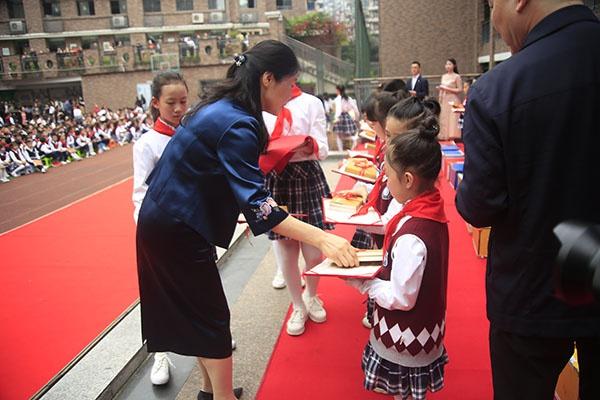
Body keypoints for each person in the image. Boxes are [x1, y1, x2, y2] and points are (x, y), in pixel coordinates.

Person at [136, 40, 357, 400]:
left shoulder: (223, 108)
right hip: (177, 227)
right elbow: (260, 206)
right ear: (268, 79)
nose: (291, 93)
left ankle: (210, 392)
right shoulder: (238, 122)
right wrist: (323, 238)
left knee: (198, 315)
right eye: (290, 83)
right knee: (210, 318)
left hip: (169, 220)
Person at [456, 2, 600, 399]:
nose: (496, 20)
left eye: (493, 5)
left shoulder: (500, 87)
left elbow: (480, 205)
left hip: (533, 290)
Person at [347, 125, 450, 400]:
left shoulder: (412, 235)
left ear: (407, 179)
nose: (384, 181)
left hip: (406, 335)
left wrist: (364, 282)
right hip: (424, 327)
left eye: (387, 174)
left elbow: (403, 298)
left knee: (403, 391)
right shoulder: (430, 210)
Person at [132, 71, 189, 386]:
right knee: (160, 296)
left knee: (201, 289)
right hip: (161, 232)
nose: (179, 108)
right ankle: (161, 355)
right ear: (155, 103)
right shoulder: (147, 144)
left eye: (183, 101)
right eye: (171, 103)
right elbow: (140, 194)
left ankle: (211, 343)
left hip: (193, 228)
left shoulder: (191, 135)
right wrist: (150, 232)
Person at [262, 85, 333, 336]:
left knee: (314, 253)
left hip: (307, 176)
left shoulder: (311, 102)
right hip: (277, 180)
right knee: (286, 250)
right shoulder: (260, 104)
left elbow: (322, 149)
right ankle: (297, 305)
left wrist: (303, 145)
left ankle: (312, 295)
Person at [437, 58, 463, 140]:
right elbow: (442, 88)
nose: (448, 66)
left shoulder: (457, 76)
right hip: (444, 99)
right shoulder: (443, 76)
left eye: (450, 64)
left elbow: (460, 89)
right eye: (447, 64)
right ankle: (444, 135)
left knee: (453, 118)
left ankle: (453, 136)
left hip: (453, 99)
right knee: (444, 117)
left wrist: (446, 89)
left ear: (454, 65)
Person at [332, 85, 360, 151]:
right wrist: (357, 118)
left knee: (339, 136)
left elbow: (338, 110)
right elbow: (355, 109)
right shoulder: (348, 98)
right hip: (347, 117)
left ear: (338, 90)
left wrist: (336, 118)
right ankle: (352, 144)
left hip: (340, 117)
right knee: (346, 135)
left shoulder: (338, 99)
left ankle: (341, 150)